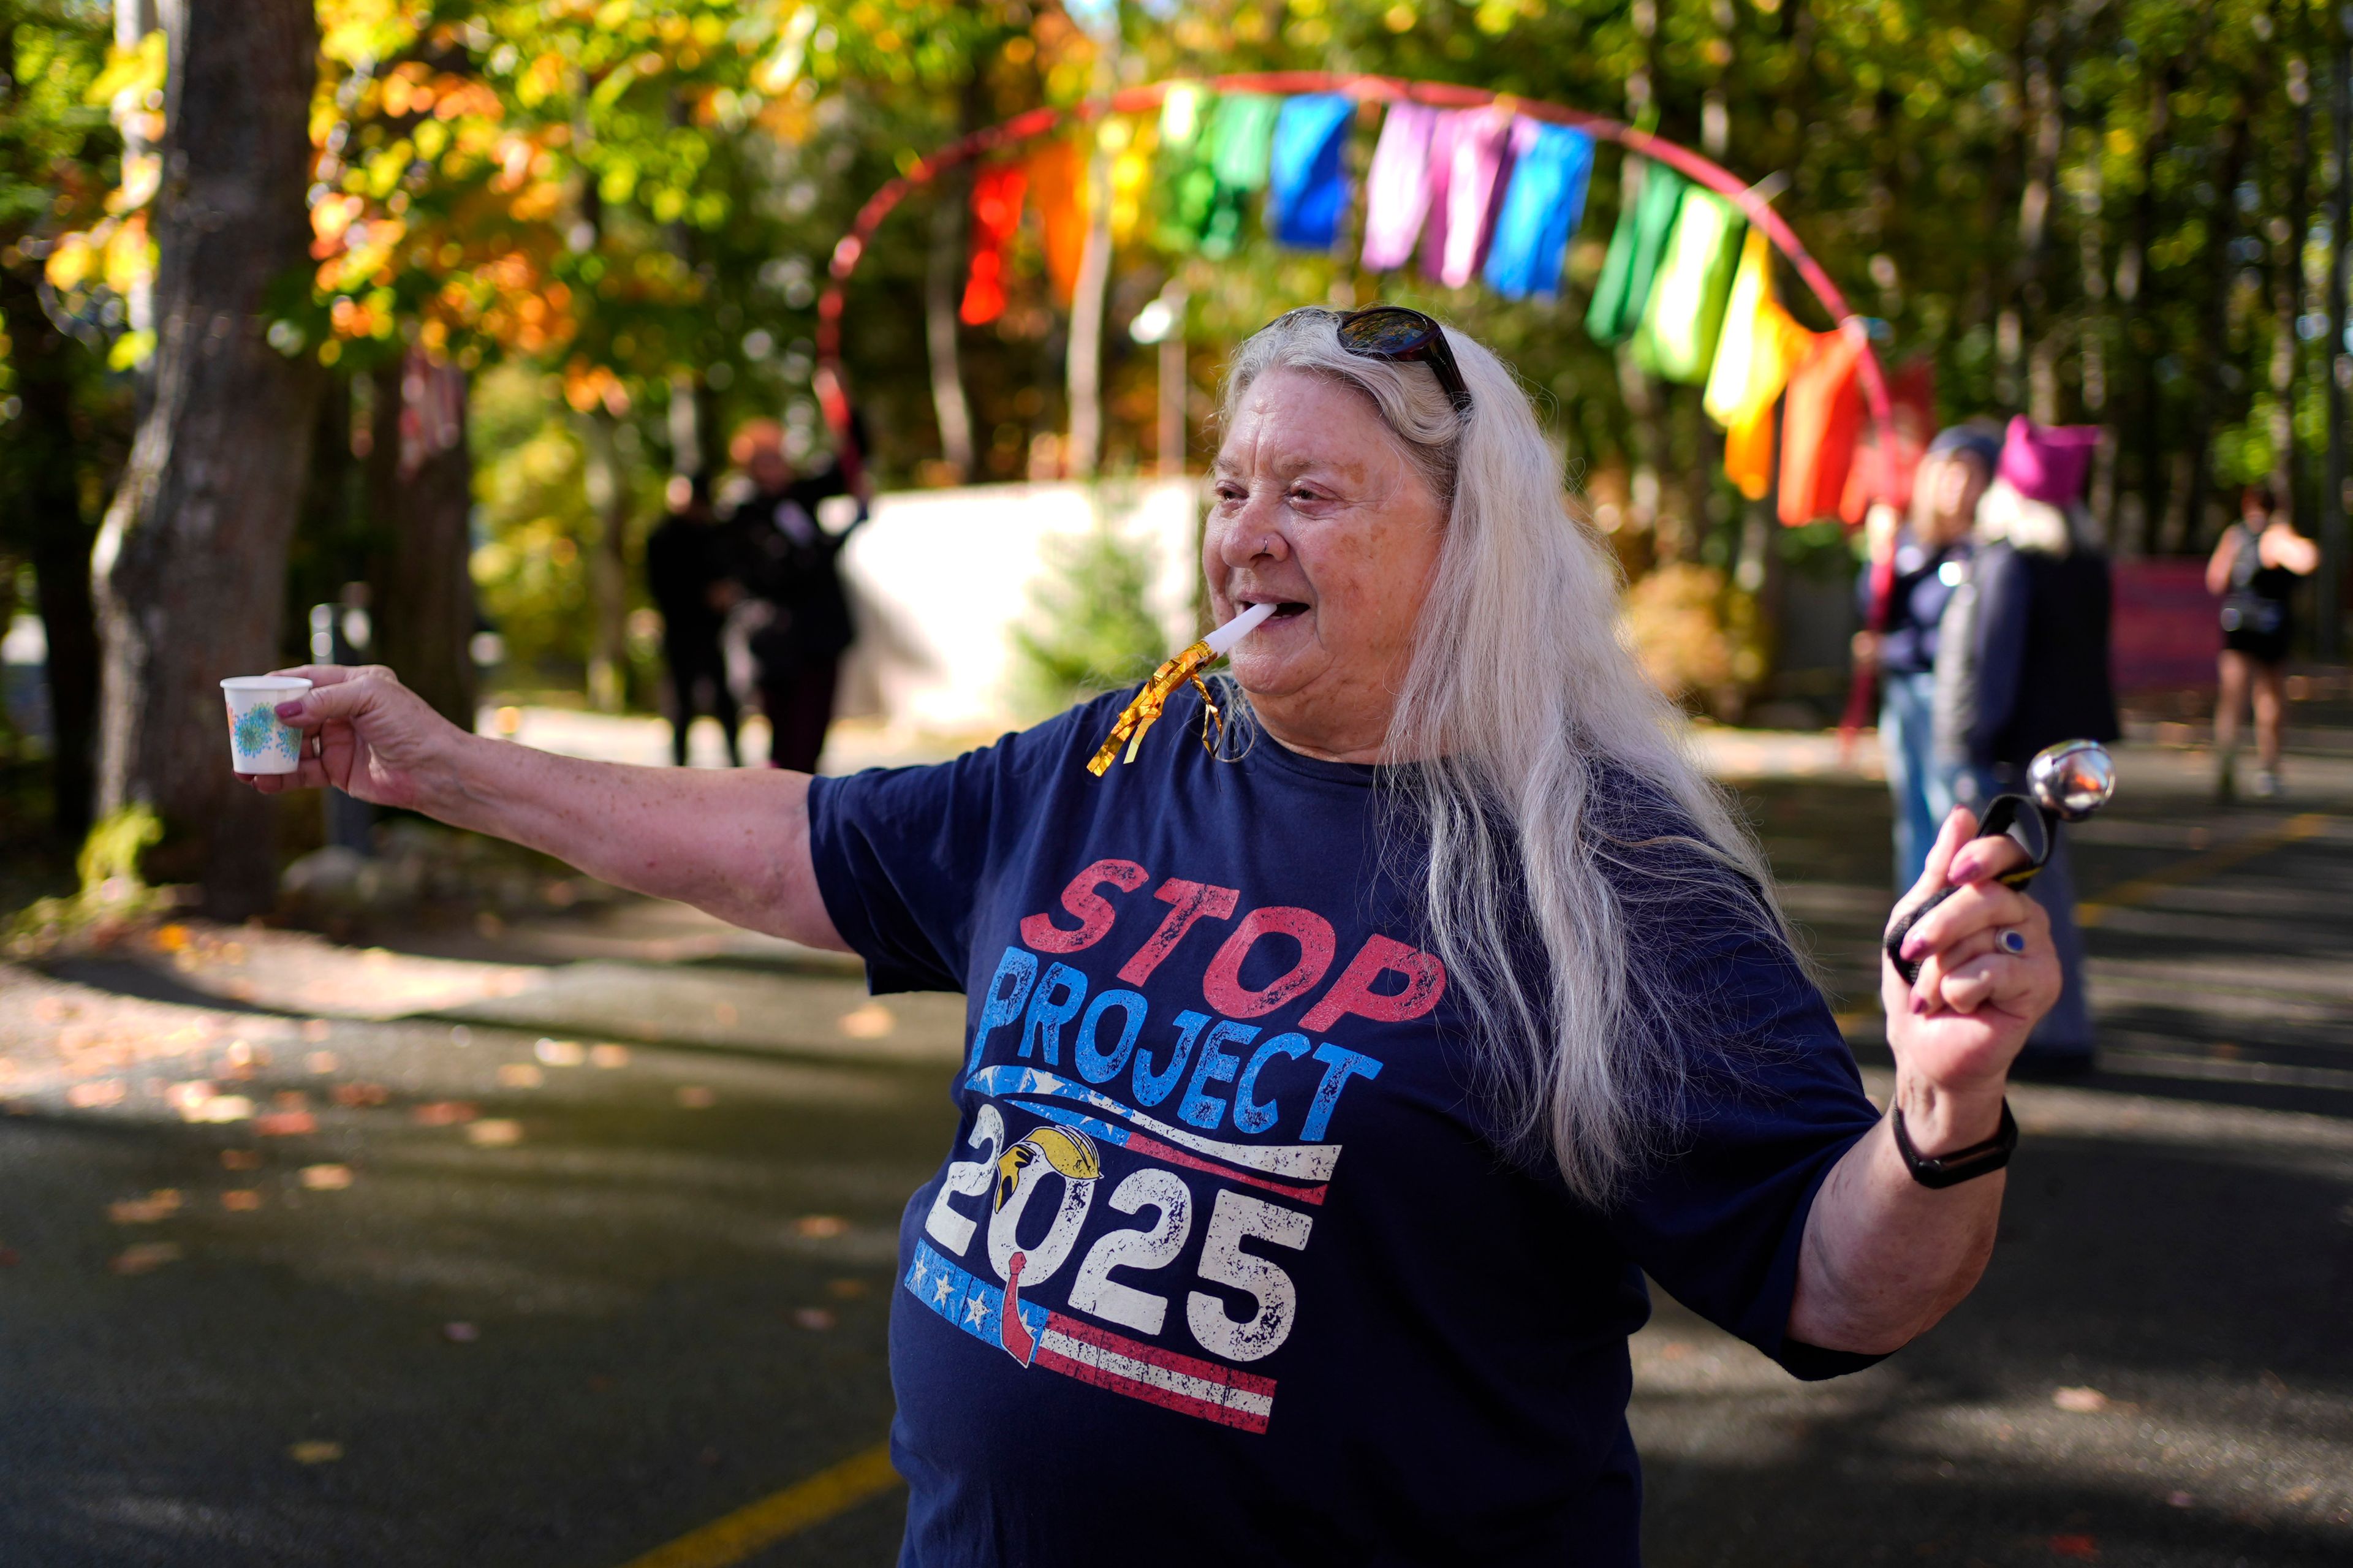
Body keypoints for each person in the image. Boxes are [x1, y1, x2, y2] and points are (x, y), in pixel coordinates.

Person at [240, 307, 2059, 1567]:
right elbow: (806, 845)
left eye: (1312, 494)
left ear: (1470, 545)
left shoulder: (1605, 873)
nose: (1244, 535)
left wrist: (1941, 1112)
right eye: (1229, 487)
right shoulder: (1123, 747)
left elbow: (1837, 1284)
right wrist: (449, 767)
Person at [1933, 415, 2117, 1077]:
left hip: (2012, 757)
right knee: (2039, 890)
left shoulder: (2010, 562)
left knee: (2029, 895)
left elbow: (1993, 668)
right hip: (2063, 755)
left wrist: (1966, 745)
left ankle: (2056, 1033)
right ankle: (2045, 1024)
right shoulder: (2085, 560)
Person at [1855, 422, 2001, 890]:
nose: (1958, 486)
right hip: (1904, 697)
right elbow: (1876, 608)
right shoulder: (1910, 544)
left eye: (1972, 475)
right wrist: (1878, 551)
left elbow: (1959, 638)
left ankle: (1959, 916)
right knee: (1913, 814)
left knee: (1954, 815)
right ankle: (1916, 918)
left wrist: (1888, 648)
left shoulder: (1986, 554)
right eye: (1950, 472)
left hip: (1953, 703)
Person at [723, 418, 869, 773]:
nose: (779, 466)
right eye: (768, 459)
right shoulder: (744, 514)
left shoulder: (798, 497)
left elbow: (851, 458)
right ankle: (784, 809)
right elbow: (787, 569)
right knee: (790, 739)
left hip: (821, 634)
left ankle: (804, 808)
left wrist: (839, 405)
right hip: (781, 643)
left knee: (813, 736)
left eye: (780, 457)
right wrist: (847, 530)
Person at [2207, 481, 2320, 800]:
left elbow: (2216, 578)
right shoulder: (2276, 535)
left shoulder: (2236, 535)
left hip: (2239, 621)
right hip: (2269, 624)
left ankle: (2227, 761)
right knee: (2268, 697)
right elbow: (2309, 559)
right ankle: (2268, 767)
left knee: (2232, 696)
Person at [645, 472, 743, 768]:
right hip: (679, 629)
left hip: (711, 630)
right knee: (681, 701)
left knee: (723, 698)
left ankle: (736, 758)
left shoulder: (713, 534)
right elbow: (661, 585)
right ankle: (679, 761)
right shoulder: (663, 536)